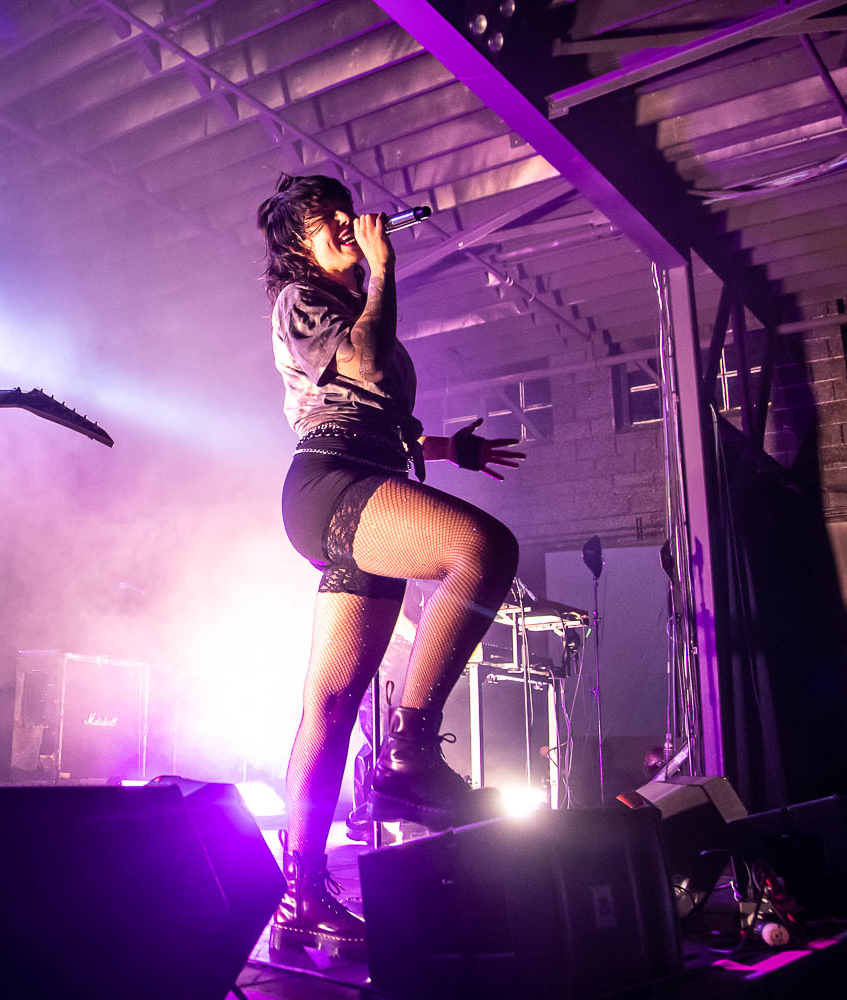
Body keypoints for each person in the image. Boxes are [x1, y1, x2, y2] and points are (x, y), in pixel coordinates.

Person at [256, 174, 524, 958]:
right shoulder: (301, 302)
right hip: (332, 481)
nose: (345, 224)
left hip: (368, 475)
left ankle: (299, 899)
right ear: (298, 245)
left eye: (347, 214)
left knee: (332, 702)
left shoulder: (348, 304)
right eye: (325, 221)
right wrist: (384, 270)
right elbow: (365, 370)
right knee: (484, 550)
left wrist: (449, 448)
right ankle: (410, 747)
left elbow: (379, 412)